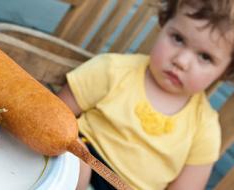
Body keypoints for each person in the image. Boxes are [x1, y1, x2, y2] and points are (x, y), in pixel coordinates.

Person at [57, 0, 234, 189]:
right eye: (178, 38)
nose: (181, 61)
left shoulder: (205, 129)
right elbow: (55, 116)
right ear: (164, 23)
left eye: (205, 57)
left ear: (224, 72)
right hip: (84, 161)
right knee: (76, 161)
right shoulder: (113, 70)